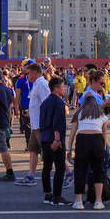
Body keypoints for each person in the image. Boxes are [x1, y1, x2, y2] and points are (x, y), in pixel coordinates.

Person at [66, 95, 108, 210]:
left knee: (80, 170)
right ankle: (98, 201)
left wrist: (69, 149)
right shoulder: (101, 114)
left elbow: (72, 133)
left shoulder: (79, 114)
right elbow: (104, 134)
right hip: (97, 140)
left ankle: (79, 201)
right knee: (98, 171)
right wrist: (103, 149)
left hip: (82, 140)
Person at [17, 63, 50, 187]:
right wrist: (30, 112)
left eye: (29, 73)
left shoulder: (42, 84)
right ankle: (30, 176)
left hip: (40, 126)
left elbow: (46, 103)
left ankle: (68, 172)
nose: (27, 75)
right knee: (33, 150)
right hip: (35, 125)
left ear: (35, 72)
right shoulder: (36, 84)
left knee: (51, 151)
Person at [39, 76, 69, 205]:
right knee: (60, 167)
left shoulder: (45, 102)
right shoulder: (59, 103)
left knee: (47, 166)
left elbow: (42, 121)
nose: (64, 89)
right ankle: (57, 196)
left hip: (45, 137)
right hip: (54, 138)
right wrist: (57, 139)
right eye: (63, 86)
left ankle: (47, 194)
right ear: (56, 88)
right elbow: (57, 123)